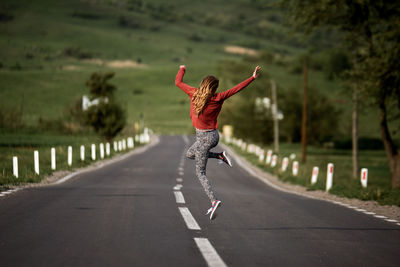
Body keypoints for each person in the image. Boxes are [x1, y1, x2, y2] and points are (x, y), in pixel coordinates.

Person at [175, 65, 261, 220]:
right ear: (214, 88)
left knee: (200, 173)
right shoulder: (218, 97)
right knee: (189, 154)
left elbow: (178, 82)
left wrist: (182, 69)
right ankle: (220, 156)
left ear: (203, 84)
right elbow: (236, 89)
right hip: (213, 137)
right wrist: (252, 78)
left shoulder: (193, 93)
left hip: (205, 139)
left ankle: (214, 201)